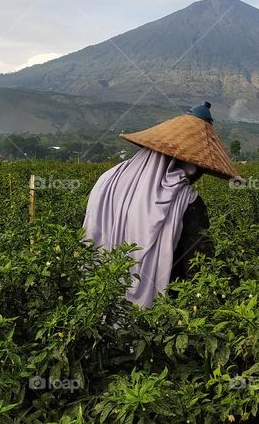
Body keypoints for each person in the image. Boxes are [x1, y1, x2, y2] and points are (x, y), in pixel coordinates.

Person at [83, 102, 239, 308]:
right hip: (155, 315)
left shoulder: (108, 180)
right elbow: (198, 267)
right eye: (198, 168)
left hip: (96, 301)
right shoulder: (186, 201)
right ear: (189, 165)